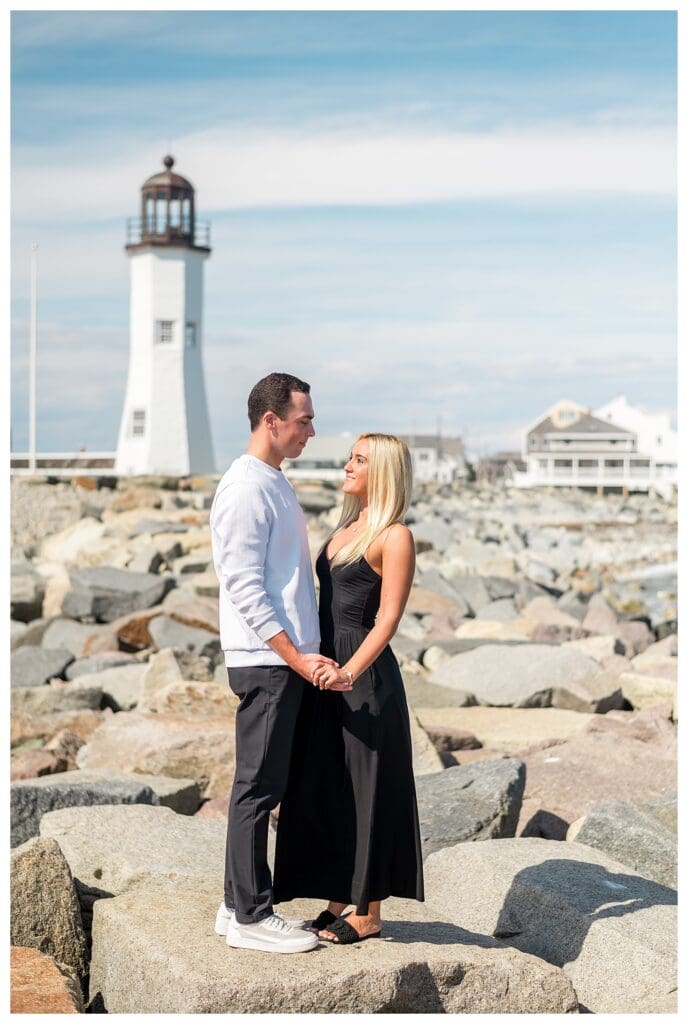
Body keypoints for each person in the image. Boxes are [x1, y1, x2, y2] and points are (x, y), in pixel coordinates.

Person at [209, 371, 348, 955]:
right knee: (257, 789)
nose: (311, 431)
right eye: (304, 420)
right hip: (268, 661)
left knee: (266, 784)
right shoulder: (245, 488)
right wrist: (295, 657)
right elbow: (241, 583)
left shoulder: (273, 481)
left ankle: (233, 903)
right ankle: (250, 915)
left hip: (278, 661)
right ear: (272, 421)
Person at [273, 433, 424, 944]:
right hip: (326, 672)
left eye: (360, 460)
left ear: (382, 471)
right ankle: (339, 897)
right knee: (328, 785)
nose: (348, 465)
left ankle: (369, 910)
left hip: (364, 680)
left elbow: (388, 619)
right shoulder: (346, 526)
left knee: (369, 788)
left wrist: (349, 672)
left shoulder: (394, 535)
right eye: (351, 457)